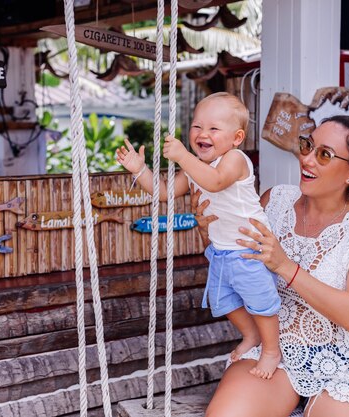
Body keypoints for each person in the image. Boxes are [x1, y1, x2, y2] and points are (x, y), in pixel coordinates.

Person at [193, 110, 349, 417]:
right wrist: (210, 235)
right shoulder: (273, 202)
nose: (307, 160)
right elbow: (237, 264)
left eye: (324, 155)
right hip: (272, 350)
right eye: (307, 146)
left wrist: (286, 266)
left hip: (339, 361)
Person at [116, 92, 282, 379]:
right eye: (196, 126)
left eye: (213, 129)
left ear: (237, 137)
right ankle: (251, 335)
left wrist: (182, 156)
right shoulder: (196, 166)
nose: (202, 133)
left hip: (249, 249)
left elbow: (215, 183)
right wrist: (140, 169)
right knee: (225, 301)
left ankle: (271, 349)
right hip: (220, 252)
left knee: (261, 302)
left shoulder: (235, 159)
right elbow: (165, 192)